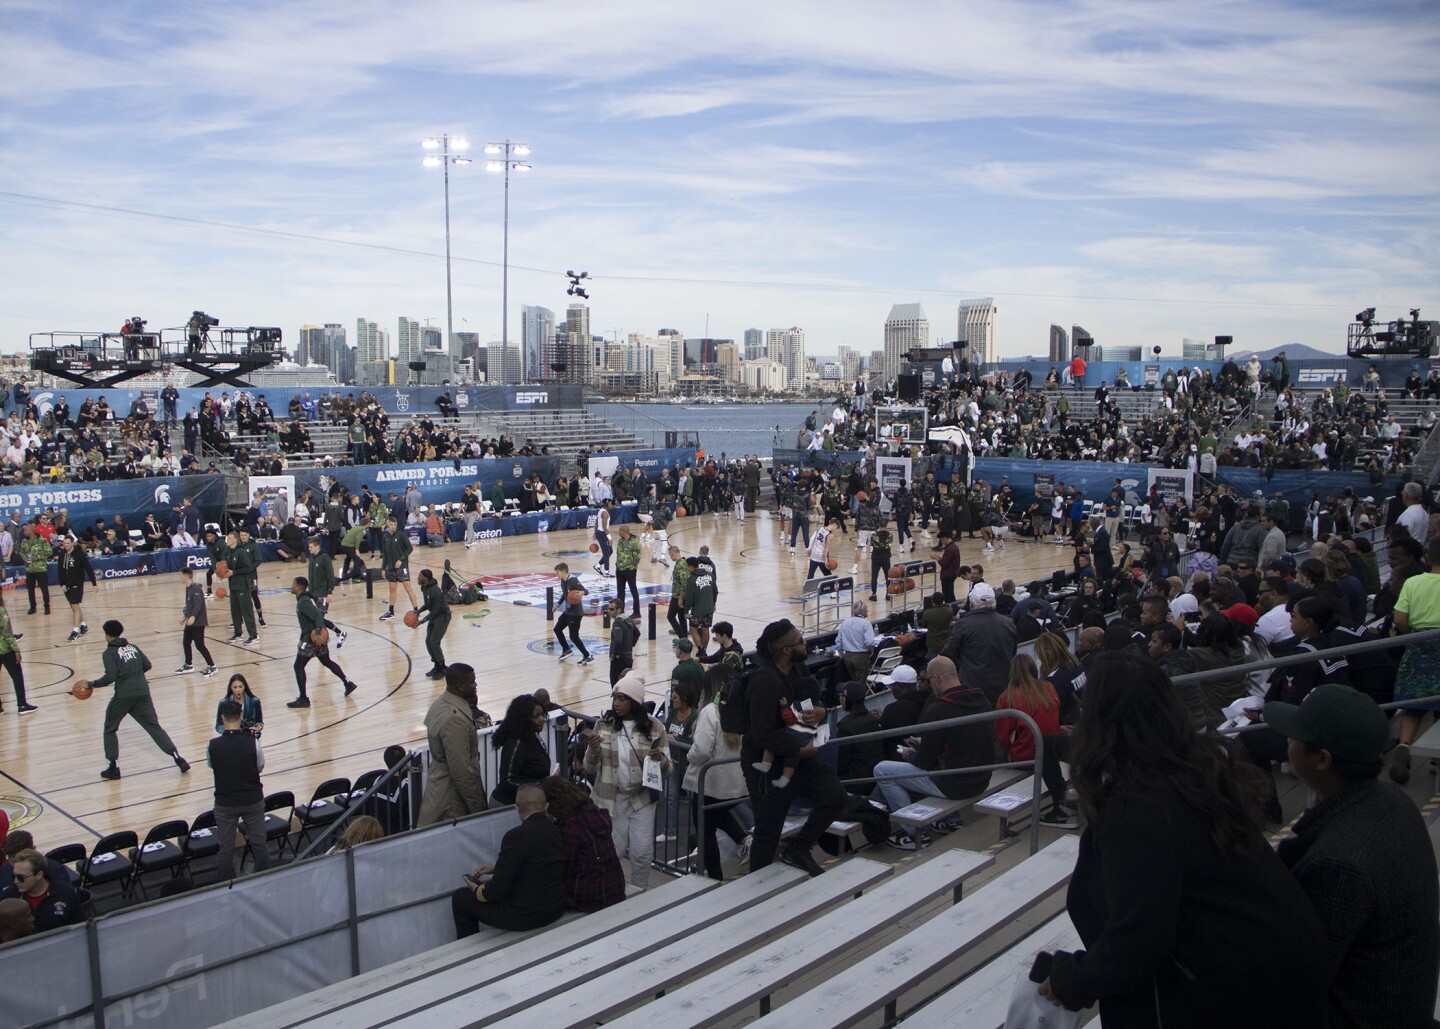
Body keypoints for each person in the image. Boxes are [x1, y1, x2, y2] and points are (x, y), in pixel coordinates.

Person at [1039, 652, 1331, 1025]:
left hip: (1238, 998)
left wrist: (1070, 980)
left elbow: (1139, 940)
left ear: (1098, 722)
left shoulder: (1139, 812)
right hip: (1272, 978)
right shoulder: (1197, 770)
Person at [1265, 684, 1440, 1028]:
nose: (1287, 741)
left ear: (1322, 758)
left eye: (1295, 736)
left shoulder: (1339, 864)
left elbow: (1299, 978)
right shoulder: (1393, 802)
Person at [742, 619, 846, 876]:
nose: (805, 643)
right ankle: (757, 892)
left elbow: (810, 703)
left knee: (835, 797)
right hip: (768, 765)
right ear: (786, 650)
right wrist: (799, 751)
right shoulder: (764, 682)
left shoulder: (799, 670)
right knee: (768, 832)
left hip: (800, 755)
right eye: (800, 640)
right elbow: (762, 734)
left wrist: (820, 712)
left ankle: (798, 848)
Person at [872, 656, 993, 849]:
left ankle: (914, 833)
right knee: (951, 761)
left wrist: (908, 753)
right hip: (982, 778)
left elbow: (923, 762)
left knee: (882, 770)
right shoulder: (981, 698)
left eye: (928, 680)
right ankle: (951, 820)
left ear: (936, 679)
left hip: (955, 784)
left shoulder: (939, 709)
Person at [583, 672, 670, 890]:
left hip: (642, 799)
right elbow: (589, 767)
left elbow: (669, 770)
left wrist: (660, 760)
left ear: (634, 701)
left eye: (622, 699)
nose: (616, 703)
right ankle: (612, 891)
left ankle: (640, 890)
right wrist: (593, 749)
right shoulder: (603, 725)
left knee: (642, 851)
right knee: (613, 851)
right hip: (612, 799)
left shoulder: (655, 727)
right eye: (615, 698)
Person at [450, 785, 566, 938]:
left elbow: (497, 890)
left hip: (525, 916)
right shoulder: (555, 830)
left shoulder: (515, 837)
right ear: (546, 806)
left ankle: (467, 955)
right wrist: (496, 868)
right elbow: (536, 864)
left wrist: (477, 890)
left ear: (516, 808)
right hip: (554, 908)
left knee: (461, 899)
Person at [85, 619, 190, 780]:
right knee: (154, 727)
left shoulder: (109, 653)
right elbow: (147, 665)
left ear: (106, 634)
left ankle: (114, 767)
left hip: (124, 695)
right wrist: (135, 674)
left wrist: (91, 684)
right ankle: (178, 758)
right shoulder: (133, 648)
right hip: (142, 692)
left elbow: (110, 677)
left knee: (110, 727)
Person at [685, 662, 751, 880]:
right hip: (736, 784)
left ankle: (714, 877)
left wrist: (689, 756)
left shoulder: (710, 712)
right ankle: (745, 842)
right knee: (716, 817)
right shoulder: (743, 708)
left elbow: (701, 750)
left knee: (706, 832)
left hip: (711, 785)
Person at [996, 655, 1075, 829]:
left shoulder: (1008, 697)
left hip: (1028, 755)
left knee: (998, 748)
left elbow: (1002, 736)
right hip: (1052, 748)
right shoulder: (1048, 687)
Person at [417, 663, 488, 825]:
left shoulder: (440, 703)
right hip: (451, 797)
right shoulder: (454, 718)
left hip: (439, 786)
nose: (475, 685)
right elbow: (460, 770)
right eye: (471, 681)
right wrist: (478, 807)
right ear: (459, 686)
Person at [542, 775, 625, 912]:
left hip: (591, 896)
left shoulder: (569, 828)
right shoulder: (595, 813)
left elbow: (564, 868)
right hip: (615, 886)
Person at [208, 699, 268, 881]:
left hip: (225, 803)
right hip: (252, 800)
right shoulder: (253, 743)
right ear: (241, 716)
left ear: (222, 718)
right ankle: (264, 880)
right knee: (259, 844)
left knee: (225, 849)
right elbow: (260, 766)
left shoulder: (212, 745)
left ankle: (225, 886)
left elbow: (213, 766)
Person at [287, 576, 357, 708]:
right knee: (327, 662)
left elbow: (318, 616)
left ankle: (303, 699)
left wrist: (318, 633)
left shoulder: (303, 602)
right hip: (317, 639)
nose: (291, 586)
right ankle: (348, 683)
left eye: (293, 584)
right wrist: (303, 638)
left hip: (312, 639)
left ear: (298, 586)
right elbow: (312, 620)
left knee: (298, 666)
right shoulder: (307, 599)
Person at [940, 583, 1016, 705]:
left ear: (971, 603)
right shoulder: (1008, 623)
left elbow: (948, 654)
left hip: (973, 689)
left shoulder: (962, 626)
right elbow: (1012, 652)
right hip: (1004, 686)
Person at [490, 694, 551, 806]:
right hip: (506, 805)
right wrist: (542, 783)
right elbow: (507, 781)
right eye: (536, 716)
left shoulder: (532, 736)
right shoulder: (516, 743)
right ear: (524, 718)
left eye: (542, 714)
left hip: (525, 803)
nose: (542, 719)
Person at [0, 849, 82, 932]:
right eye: (13, 876)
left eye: (21, 877)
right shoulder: (8, 898)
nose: (16, 881)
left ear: (39, 875)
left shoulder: (66, 893)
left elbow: (80, 927)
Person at [175, 567, 217, 678]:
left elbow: (198, 605)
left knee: (200, 645)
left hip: (198, 622)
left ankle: (212, 666)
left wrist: (193, 616)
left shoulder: (196, 589)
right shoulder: (188, 588)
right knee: (186, 642)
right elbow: (189, 605)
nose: (179, 578)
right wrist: (185, 616)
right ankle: (188, 664)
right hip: (190, 621)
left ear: (185, 576)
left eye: (180, 576)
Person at [221, 531, 259, 645]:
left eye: (229, 538)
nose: (227, 539)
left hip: (243, 586)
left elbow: (248, 568)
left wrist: (234, 572)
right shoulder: (227, 551)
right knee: (235, 611)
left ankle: (254, 636)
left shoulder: (241, 552)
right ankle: (238, 633)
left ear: (235, 540)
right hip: (233, 585)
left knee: (246, 612)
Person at [55, 537, 96, 643]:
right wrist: (62, 584)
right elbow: (60, 570)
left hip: (77, 584)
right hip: (66, 585)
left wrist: (94, 583)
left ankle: (75, 630)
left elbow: (88, 568)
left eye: (68, 543)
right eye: (64, 543)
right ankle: (83, 625)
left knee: (74, 605)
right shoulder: (62, 554)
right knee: (74, 606)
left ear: (73, 543)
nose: (66, 545)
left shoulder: (79, 554)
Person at [413, 568, 452, 679]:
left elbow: (435, 610)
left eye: (420, 576)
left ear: (426, 578)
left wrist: (422, 621)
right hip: (435, 616)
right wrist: (418, 611)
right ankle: (436, 665)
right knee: (428, 641)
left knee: (434, 642)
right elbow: (427, 605)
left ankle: (442, 667)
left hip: (442, 616)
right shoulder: (424, 588)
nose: (418, 577)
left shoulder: (435, 591)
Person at [378, 517, 419, 620]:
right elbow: (385, 554)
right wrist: (383, 569)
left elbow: (409, 548)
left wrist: (401, 559)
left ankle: (416, 611)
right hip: (391, 568)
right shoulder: (385, 537)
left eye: (394, 525)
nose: (393, 526)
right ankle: (391, 612)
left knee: (408, 588)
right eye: (391, 524)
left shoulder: (401, 535)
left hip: (402, 567)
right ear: (387, 524)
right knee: (392, 589)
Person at [551, 562, 592, 665]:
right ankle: (566, 650)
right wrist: (557, 604)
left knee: (574, 636)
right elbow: (565, 595)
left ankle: (587, 656)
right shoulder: (563, 580)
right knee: (557, 629)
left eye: (558, 572)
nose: (557, 575)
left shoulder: (573, 580)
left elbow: (586, 591)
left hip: (576, 613)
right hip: (568, 611)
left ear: (564, 571)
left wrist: (583, 592)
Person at [0, 594, 35, 714]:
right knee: (17, 676)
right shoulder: (1, 611)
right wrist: (16, 649)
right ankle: (22, 705)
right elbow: (7, 633)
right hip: (5, 649)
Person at [837, 600, 878, 683]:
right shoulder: (865, 624)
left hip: (847, 657)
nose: (867, 610)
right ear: (861, 611)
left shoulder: (845, 622)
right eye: (866, 609)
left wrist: (842, 656)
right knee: (860, 685)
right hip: (861, 657)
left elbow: (838, 642)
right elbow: (869, 643)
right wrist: (873, 647)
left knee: (853, 683)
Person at [683, 555, 717, 656]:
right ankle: (704, 650)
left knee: (693, 628)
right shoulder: (710, 575)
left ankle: (700, 649)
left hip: (697, 610)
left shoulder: (691, 580)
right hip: (709, 608)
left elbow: (689, 598)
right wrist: (713, 603)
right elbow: (715, 591)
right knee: (705, 629)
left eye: (687, 566)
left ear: (691, 566)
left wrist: (686, 611)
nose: (686, 568)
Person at [18, 524, 51, 616]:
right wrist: (24, 558)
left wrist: (37, 557)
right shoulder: (24, 541)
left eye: (25, 531)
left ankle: (47, 607)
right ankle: (33, 607)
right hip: (30, 569)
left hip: (40, 569)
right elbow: (22, 551)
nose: (24, 533)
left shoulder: (41, 540)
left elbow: (49, 551)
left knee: (44, 589)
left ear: (31, 531)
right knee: (30, 589)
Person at [606, 598, 639, 686]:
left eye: (612, 609)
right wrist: (629, 646)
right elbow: (637, 633)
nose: (609, 611)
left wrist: (613, 655)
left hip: (619, 660)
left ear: (619, 610)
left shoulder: (617, 623)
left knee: (616, 687)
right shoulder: (627, 618)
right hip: (628, 658)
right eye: (608, 608)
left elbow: (618, 640)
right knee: (626, 686)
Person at [614, 523, 641, 617]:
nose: (618, 532)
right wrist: (618, 565)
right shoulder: (620, 541)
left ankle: (637, 612)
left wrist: (631, 567)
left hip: (630, 570)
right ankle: (620, 611)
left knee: (633, 590)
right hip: (620, 570)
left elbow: (637, 557)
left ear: (624, 531)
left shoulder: (634, 542)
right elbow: (618, 554)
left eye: (620, 531)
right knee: (620, 591)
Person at [592, 499, 614, 577]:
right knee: (606, 553)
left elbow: (596, 523)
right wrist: (610, 538)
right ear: (607, 504)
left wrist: (595, 532)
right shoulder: (604, 513)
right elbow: (604, 527)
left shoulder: (600, 511)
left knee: (610, 551)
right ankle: (607, 572)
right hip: (602, 533)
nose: (612, 505)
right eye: (611, 504)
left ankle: (598, 566)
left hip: (600, 532)